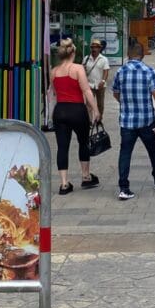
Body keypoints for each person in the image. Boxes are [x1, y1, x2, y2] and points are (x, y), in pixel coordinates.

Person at [112, 42, 155, 201]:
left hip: (127, 121)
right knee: (153, 150)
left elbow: (115, 93)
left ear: (128, 55)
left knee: (125, 153)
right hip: (146, 120)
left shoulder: (120, 72)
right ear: (143, 54)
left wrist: (125, 104)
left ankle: (124, 188)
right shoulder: (149, 71)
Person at [49, 38, 100, 195]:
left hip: (60, 110)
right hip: (77, 110)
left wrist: (52, 114)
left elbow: (52, 94)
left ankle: (64, 184)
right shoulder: (78, 69)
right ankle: (85, 176)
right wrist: (96, 110)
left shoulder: (54, 71)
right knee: (83, 142)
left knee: (62, 147)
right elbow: (86, 91)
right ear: (73, 53)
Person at [83, 40, 110, 121]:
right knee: (89, 104)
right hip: (89, 85)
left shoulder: (104, 59)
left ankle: (99, 119)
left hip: (100, 85)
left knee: (100, 104)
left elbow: (106, 71)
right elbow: (83, 70)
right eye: (92, 47)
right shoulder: (86, 58)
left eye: (96, 47)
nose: (94, 49)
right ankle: (89, 120)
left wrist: (103, 81)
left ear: (99, 49)